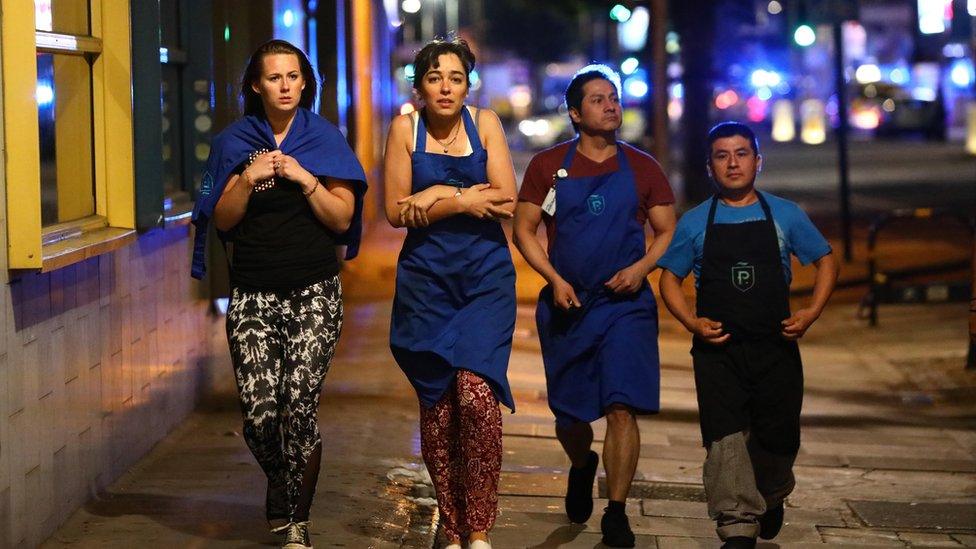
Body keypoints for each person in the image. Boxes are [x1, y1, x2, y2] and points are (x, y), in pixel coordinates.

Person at [190, 39, 367, 549]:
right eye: (274, 78)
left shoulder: (324, 139)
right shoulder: (232, 143)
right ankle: (281, 479)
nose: (285, 85)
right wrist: (248, 179)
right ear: (256, 85)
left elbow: (342, 218)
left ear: (304, 81)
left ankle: (297, 522)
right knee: (261, 415)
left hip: (314, 293)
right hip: (253, 295)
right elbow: (220, 217)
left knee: (300, 406)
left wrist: (302, 177)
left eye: (293, 76)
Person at [513, 64, 676, 548]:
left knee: (621, 407)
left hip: (625, 305)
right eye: (599, 99)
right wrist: (554, 278)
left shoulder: (643, 166)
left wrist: (642, 268)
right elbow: (524, 229)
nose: (611, 106)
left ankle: (618, 512)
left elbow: (668, 230)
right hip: (569, 305)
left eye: (614, 98)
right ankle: (582, 464)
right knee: (570, 414)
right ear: (575, 113)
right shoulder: (548, 167)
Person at [658, 122, 839, 549]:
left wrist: (811, 313)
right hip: (717, 353)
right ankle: (736, 522)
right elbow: (669, 279)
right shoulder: (696, 221)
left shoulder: (786, 214)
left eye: (742, 153)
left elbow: (826, 262)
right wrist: (692, 322)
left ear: (758, 161)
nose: (733, 163)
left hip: (775, 348)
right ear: (709, 167)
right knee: (725, 437)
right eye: (722, 155)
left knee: (779, 437)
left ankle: (772, 492)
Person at [383, 38, 517, 549]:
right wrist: (463, 198)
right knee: (439, 405)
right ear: (419, 86)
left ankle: (479, 528)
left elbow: (503, 199)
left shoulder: (485, 124)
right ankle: (453, 523)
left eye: (456, 77)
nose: (446, 86)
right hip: (426, 285)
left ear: (468, 84)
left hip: (485, 279)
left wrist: (438, 196)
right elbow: (396, 212)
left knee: (476, 396)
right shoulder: (404, 128)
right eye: (435, 77)